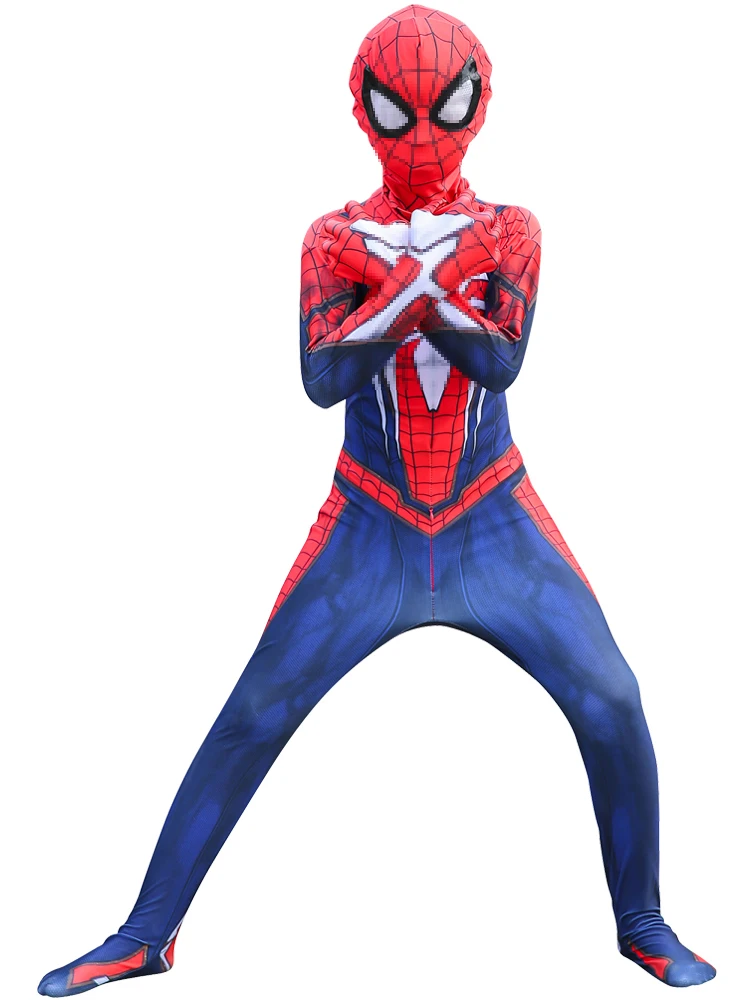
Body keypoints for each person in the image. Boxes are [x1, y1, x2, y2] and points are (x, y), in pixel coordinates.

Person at [38, 6, 715, 994]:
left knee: (612, 698)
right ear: (363, 110)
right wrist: (427, 284)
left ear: (481, 104)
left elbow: (500, 362)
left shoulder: (511, 229)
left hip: (492, 515)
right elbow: (322, 380)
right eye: (399, 113)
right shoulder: (330, 236)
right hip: (369, 519)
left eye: (447, 108)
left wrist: (395, 285)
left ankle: (642, 919)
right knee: (255, 710)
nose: (424, 136)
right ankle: (147, 932)